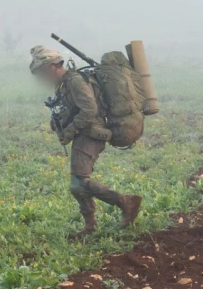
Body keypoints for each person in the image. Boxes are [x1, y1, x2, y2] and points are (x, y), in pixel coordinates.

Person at [29, 45, 143, 238]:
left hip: (91, 134)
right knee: (78, 183)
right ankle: (90, 227)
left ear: (51, 67)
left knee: (78, 183)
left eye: (41, 71)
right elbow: (68, 108)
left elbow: (89, 110)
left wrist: (70, 131)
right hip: (84, 134)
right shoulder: (64, 83)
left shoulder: (74, 81)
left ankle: (126, 202)